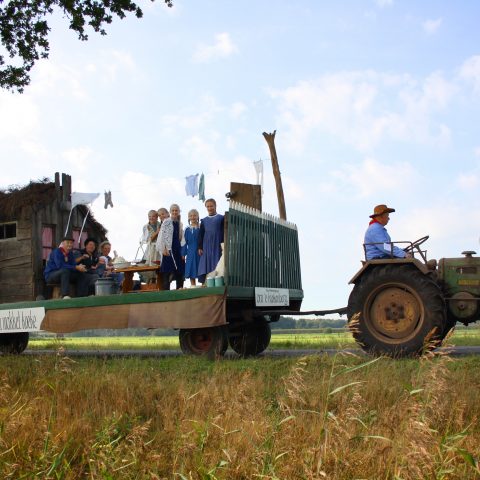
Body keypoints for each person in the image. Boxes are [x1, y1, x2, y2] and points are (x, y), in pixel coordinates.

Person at [156, 204, 185, 290]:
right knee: (167, 272)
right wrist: (163, 248)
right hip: (168, 248)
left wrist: (183, 251)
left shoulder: (180, 223)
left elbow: (181, 237)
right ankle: (166, 293)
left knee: (180, 270)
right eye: (173, 210)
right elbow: (162, 235)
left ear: (179, 211)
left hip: (177, 248)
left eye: (176, 210)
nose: (175, 212)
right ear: (170, 212)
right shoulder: (166, 221)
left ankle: (179, 290)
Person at [197, 198, 224, 283]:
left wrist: (223, 244)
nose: (210, 208)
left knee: (217, 262)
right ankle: (206, 283)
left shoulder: (221, 218)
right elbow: (201, 234)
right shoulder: (204, 220)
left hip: (217, 244)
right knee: (206, 264)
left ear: (215, 206)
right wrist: (200, 247)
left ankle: (218, 281)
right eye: (207, 206)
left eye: (211, 206)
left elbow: (223, 232)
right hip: (206, 245)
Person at [182, 209, 201, 286]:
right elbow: (184, 242)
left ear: (197, 216)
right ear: (188, 217)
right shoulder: (186, 229)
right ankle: (193, 286)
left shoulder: (201, 227)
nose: (193, 217)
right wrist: (183, 253)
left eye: (194, 215)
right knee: (191, 267)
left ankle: (203, 285)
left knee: (201, 267)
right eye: (191, 216)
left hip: (200, 251)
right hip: (190, 252)